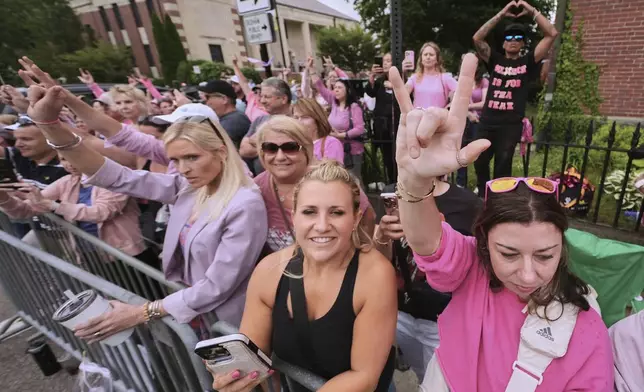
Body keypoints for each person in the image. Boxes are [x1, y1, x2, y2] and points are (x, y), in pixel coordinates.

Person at [388, 54, 612, 390]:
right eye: (507, 253)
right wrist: (415, 181)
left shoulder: (588, 330)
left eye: (544, 255)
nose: (526, 274)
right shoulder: (472, 269)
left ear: (562, 247)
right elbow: (427, 244)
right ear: (482, 243)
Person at [20, 71, 268, 336]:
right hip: (198, 312)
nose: (182, 169)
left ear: (220, 151)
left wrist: (142, 312)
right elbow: (117, 177)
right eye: (175, 160)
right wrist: (49, 124)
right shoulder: (191, 186)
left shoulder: (245, 203)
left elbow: (217, 285)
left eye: (191, 158)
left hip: (234, 320)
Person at [209, 160, 397, 392]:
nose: (321, 226)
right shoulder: (269, 272)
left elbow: (364, 376)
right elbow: (252, 357)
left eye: (336, 212)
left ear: (356, 219)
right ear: (294, 215)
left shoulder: (374, 276)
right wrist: (234, 377)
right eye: (309, 212)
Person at [374, 178, 482, 381]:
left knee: (444, 380)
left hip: (443, 319)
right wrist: (382, 235)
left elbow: (477, 265)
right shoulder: (391, 194)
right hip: (402, 314)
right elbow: (381, 261)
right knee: (421, 374)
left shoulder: (467, 204)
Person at [253, 115, 376, 254]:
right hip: (282, 272)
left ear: (306, 148)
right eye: (270, 148)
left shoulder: (335, 181)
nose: (280, 156)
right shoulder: (256, 189)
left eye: (290, 147)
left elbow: (367, 224)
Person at [0, 154, 151, 264]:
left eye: (74, 157)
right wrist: (4, 198)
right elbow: (23, 211)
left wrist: (54, 205)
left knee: (145, 299)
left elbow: (101, 212)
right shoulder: (67, 181)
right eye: (64, 159)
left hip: (125, 253)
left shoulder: (112, 179)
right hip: (89, 254)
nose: (69, 164)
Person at [472, 0, 558, 195]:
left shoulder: (527, 61)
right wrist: (502, 13)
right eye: (509, 37)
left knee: (503, 165)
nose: (512, 40)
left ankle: (500, 198)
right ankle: (484, 194)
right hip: (488, 121)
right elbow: (477, 38)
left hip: (510, 124)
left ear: (522, 43)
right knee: (480, 160)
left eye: (518, 37)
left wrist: (530, 10)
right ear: (503, 42)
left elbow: (552, 34)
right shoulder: (495, 59)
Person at [310, 62, 366, 181]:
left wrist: (341, 135)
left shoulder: (354, 107)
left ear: (347, 90)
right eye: (335, 87)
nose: (336, 90)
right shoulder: (334, 103)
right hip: (336, 148)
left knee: (353, 180)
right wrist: (311, 70)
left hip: (351, 150)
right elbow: (320, 86)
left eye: (339, 87)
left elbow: (360, 128)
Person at [239, 77, 292, 175]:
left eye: (267, 97)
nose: (262, 101)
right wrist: (268, 144)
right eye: (261, 96)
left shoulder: (296, 121)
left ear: (283, 99)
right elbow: (243, 150)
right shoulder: (260, 120)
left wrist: (256, 141)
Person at [457, 59, 490, 187]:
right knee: (460, 153)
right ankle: (461, 183)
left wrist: (467, 106)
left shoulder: (483, 82)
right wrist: (468, 111)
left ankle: (480, 185)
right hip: (464, 120)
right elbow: (456, 101)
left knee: (478, 154)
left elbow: (484, 103)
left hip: (478, 121)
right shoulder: (460, 81)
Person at [365, 53, 396, 182]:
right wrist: (372, 77)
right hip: (382, 125)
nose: (385, 63)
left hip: (396, 124)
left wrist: (395, 86)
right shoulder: (379, 81)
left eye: (389, 61)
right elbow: (370, 93)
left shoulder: (404, 80)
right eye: (383, 61)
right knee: (387, 157)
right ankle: (391, 181)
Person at [403, 42, 457, 110]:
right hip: (418, 118)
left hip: (438, 118)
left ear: (437, 59)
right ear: (421, 59)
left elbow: (462, 94)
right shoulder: (414, 78)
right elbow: (402, 95)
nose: (428, 57)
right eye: (425, 54)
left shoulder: (445, 78)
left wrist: (448, 107)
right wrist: (402, 72)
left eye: (431, 55)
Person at [198, 80, 251, 149]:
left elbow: (212, 147)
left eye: (208, 97)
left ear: (224, 99)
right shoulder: (231, 118)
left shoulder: (234, 120)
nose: (206, 102)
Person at [292, 98, 343, 163]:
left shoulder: (331, 143)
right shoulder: (293, 143)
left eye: (305, 117)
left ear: (317, 120)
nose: (299, 121)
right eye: (296, 118)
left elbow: (333, 172)